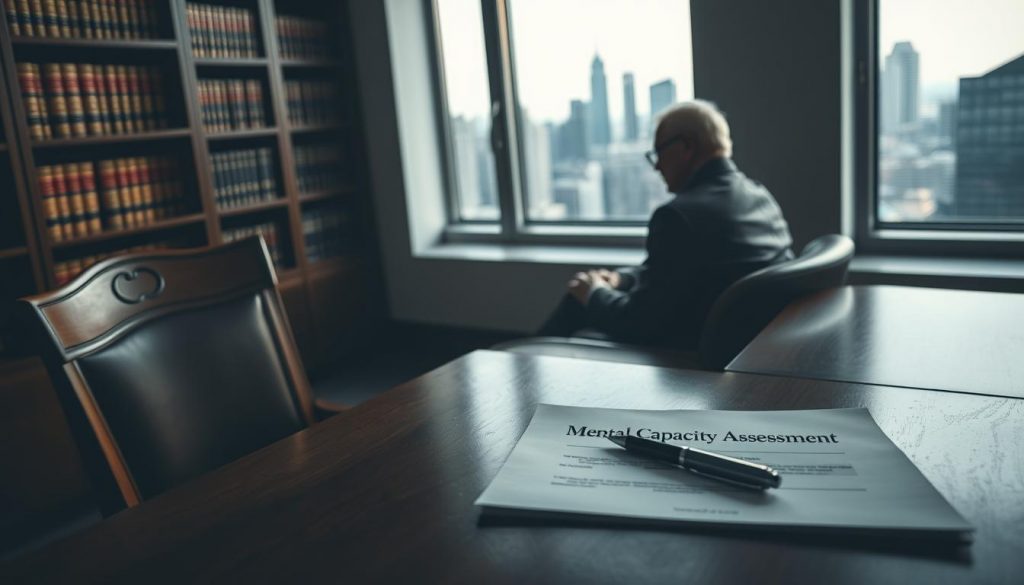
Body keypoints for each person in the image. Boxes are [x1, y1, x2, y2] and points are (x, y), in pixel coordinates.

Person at [538, 99, 794, 348]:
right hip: (751, 344)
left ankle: (524, 363)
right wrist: (621, 279)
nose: (657, 166)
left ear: (686, 147)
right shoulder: (760, 197)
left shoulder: (678, 216)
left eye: (659, 152)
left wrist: (593, 293)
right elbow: (676, 275)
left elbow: (637, 323)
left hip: (685, 356)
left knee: (577, 299)